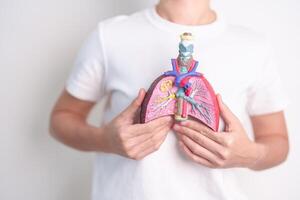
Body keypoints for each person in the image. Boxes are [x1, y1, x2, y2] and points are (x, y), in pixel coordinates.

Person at [49, 0, 290, 199]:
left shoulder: (252, 47)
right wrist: (105, 140)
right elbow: (61, 120)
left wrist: (248, 153)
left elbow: (277, 142)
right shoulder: (110, 36)